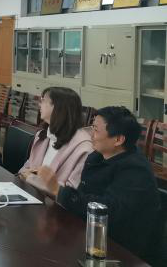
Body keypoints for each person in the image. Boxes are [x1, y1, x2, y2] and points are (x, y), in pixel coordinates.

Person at [37, 106, 161, 263]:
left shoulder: (136, 171)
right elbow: (84, 197)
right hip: (91, 239)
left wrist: (58, 190)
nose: (91, 135)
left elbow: (106, 209)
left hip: (122, 253)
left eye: (96, 130)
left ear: (118, 140)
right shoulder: (97, 157)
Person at [18, 87, 92, 191]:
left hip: (51, 201)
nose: (39, 104)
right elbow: (28, 166)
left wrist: (31, 178)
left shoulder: (84, 147)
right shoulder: (43, 135)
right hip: (31, 193)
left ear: (58, 107)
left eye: (43, 100)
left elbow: (71, 191)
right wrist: (25, 174)